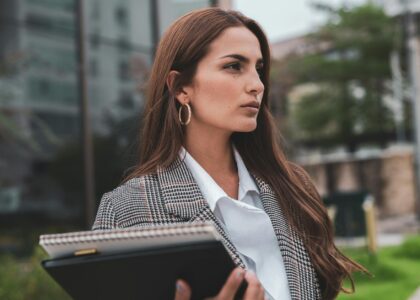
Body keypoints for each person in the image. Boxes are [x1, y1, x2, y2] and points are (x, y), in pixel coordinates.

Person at [92, 7, 366, 300]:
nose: (257, 85)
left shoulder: (292, 187)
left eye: (258, 69)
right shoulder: (128, 210)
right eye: (234, 66)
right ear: (181, 87)